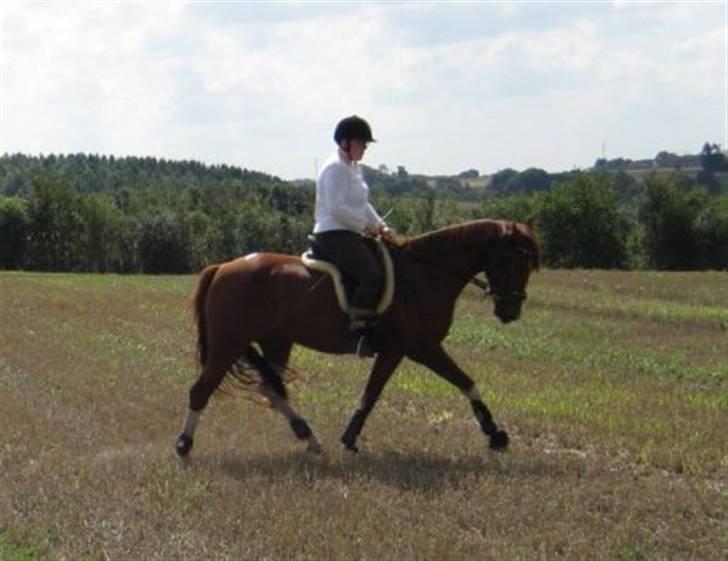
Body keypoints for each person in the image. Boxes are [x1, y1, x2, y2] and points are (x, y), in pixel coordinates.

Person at [313, 115, 394, 357]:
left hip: (350, 231)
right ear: (346, 143)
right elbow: (336, 208)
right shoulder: (335, 168)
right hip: (333, 233)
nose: (365, 148)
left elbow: (362, 204)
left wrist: (381, 225)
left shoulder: (353, 168)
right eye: (361, 143)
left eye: (366, 144)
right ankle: (357, 333)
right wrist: (365, 227)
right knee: (372, 275)